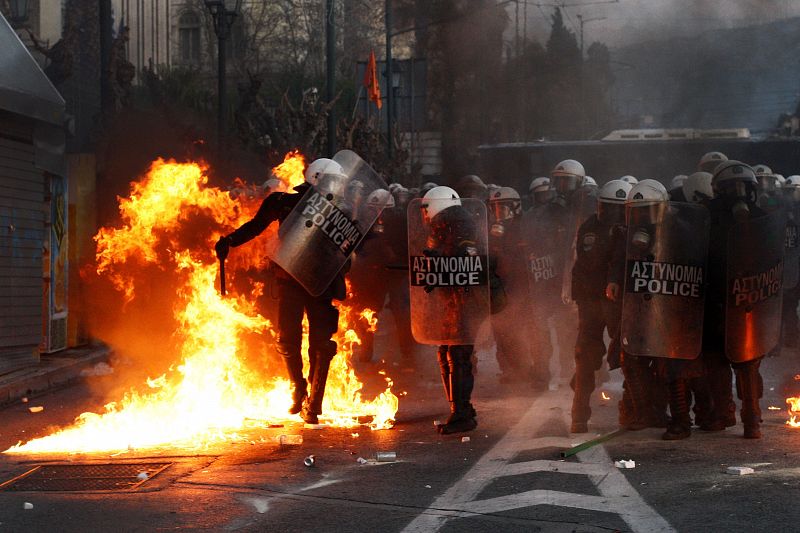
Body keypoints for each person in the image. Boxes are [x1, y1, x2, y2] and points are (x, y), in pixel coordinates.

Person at [215, 158, 349, 425]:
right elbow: (256, 226)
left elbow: (346, 248)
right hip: (290, 280)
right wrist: (229, 240)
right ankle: (299, 388)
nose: (336, 186)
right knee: (288, 340)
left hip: (320, 283)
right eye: (331, 181)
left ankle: (315, 401)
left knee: (321, 345)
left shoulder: (339, 212)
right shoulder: (284, 203)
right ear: (317, 178)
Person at [704, 160, 778, 438]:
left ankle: (751, 418)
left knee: (747, 360)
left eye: (742, 187)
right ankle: (726, 414)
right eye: (731, 188)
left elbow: (774, 260)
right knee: (715, 359)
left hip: (747, 296)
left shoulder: (762, 218)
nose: (738, 193)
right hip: (717, 295)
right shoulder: (706, 216)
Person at [569, 179, 632, 433]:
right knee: (587, 355)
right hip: (595, 301)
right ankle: (579, 414)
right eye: (610, 208)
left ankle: (633, 409)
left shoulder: (631, 229)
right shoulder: (591, 229)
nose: (614, 214)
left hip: (619, 303)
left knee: (630, 355)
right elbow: (589, 262)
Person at [418, 186, 481, 434]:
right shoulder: (444, 228)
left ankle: (462, 414)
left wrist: (440, 261)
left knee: (458, 357)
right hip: (452, 300)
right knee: (446, 352)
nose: (424, 215)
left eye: (426, 209)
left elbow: (466, 260)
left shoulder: (460, 226)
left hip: (463, 301)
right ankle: (460, 408)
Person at [488, 186, 537, 386]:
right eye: (496, 208)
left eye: (504, 208)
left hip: (520, 287)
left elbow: (526, 258)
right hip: (500, 286)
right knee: (501, 329)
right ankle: (510, 369)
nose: (500, 213)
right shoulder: (493, 230)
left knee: (521, 328)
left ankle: (528, 369)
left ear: (516, 207)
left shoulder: (524, 227)